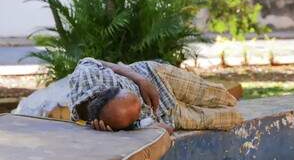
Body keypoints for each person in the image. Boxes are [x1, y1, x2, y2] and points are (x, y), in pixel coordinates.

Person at [68, 58, 243, 134]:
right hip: (168, 114)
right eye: (136, 118)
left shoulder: (86, 75)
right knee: (231, 119)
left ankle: (230, 100)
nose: (143, 108)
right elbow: (166, 130)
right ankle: (235, 112)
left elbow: (91, 60)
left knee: (216, 94)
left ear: (109, 90)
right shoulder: (104, 128)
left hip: (155, 76)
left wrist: (140, 80)